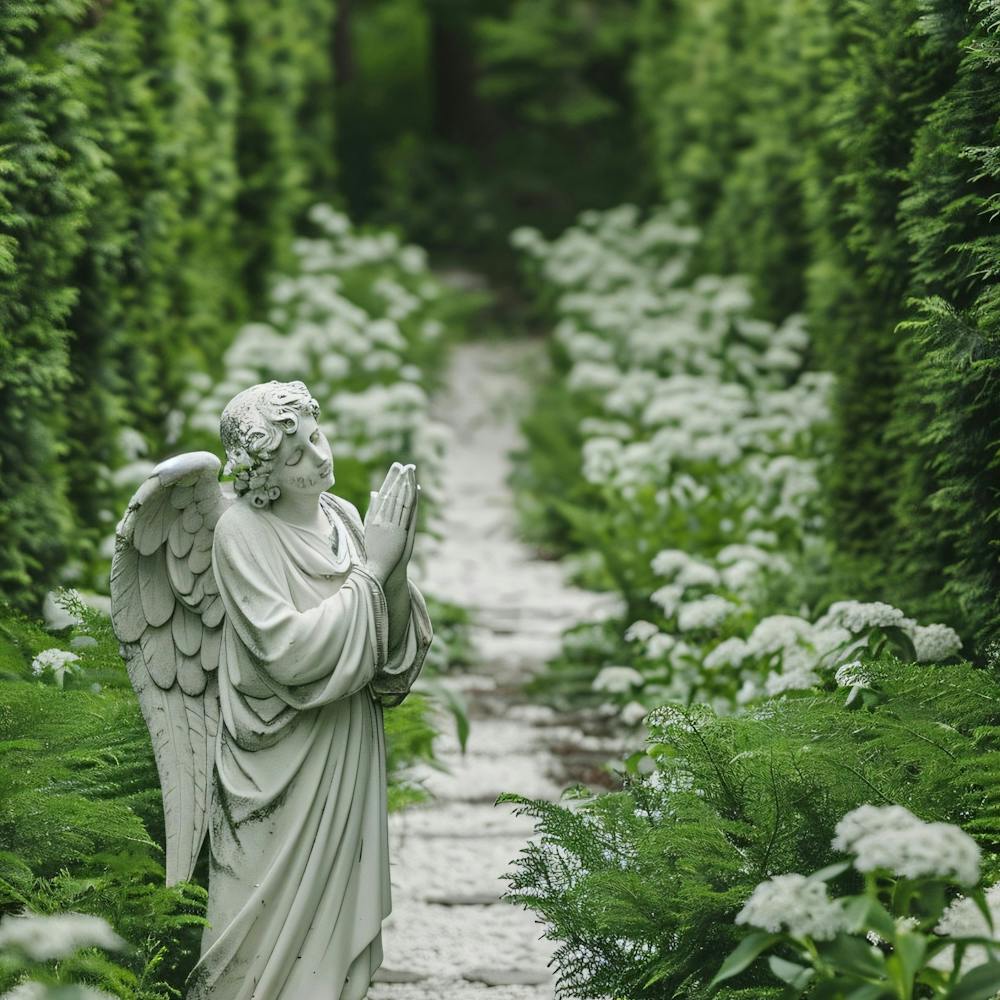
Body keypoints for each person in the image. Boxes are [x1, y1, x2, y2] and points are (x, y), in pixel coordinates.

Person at [186, 380, 432, 1000]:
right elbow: (287, 652)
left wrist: (394, 567)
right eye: (295, 457)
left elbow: (390, 656)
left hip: (344, 746)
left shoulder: (344, 518)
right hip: (275, 761)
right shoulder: (239, 532)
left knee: (332, 928)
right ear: (261, 474)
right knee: (254, 941)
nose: (318, 457)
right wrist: (374, 571)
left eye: (315, 438)